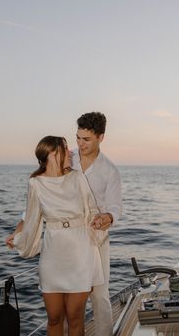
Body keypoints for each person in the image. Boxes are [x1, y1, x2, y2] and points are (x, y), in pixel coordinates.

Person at [6, 135, 107, 336]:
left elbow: (93, 210)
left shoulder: (78, 177)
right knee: (54, 318)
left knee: (76, 317)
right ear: (52, 154)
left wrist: (99, 220)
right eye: (65, 149)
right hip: (53, 256)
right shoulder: (36, 183)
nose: (71, 152)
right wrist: (18, 236)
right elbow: (31, 217)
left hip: (81, 253)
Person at [71, 112, 122, 336]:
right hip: (69, 239)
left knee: (100, 295)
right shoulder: (65, 158)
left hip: (97, 238)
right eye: (78, 138)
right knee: (70, 296)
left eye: (86, 139)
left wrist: (108, 218)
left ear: (101, 137)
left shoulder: (110, 170)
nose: (80, 144)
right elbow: (46, 192)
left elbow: (115, 206)